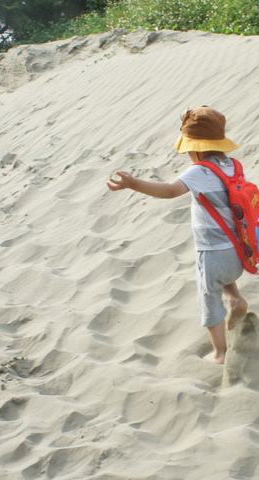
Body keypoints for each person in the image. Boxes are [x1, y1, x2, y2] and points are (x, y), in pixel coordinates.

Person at [107, 106, 249, 364]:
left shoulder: (199, 171)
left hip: (212, 253)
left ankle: (219, 353)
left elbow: (171, 191)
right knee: (222, 278)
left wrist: (133, 184)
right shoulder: (233, 166)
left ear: (194, 148)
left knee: (209, 300)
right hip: (238, 251)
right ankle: (237, 300)